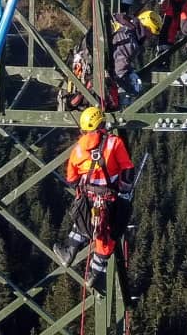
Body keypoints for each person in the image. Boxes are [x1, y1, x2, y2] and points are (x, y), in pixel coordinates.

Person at [60, 106, 135, 293]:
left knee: (82, 223)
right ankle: (95, 273)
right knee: (107, 234)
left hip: (87, 198)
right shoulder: (114, 143)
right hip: (109, 198)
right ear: (101, 124)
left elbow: (71, 179)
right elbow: (127, 170)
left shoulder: (78, 149)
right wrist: (125, 191)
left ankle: (69, 252)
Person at [110, 9, 162, 98]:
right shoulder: (130, 42)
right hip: (93, 69)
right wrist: (131, 89)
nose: (149, 37)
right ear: (146, 28)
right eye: (150, 33)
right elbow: (119, 72)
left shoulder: (124, 22)